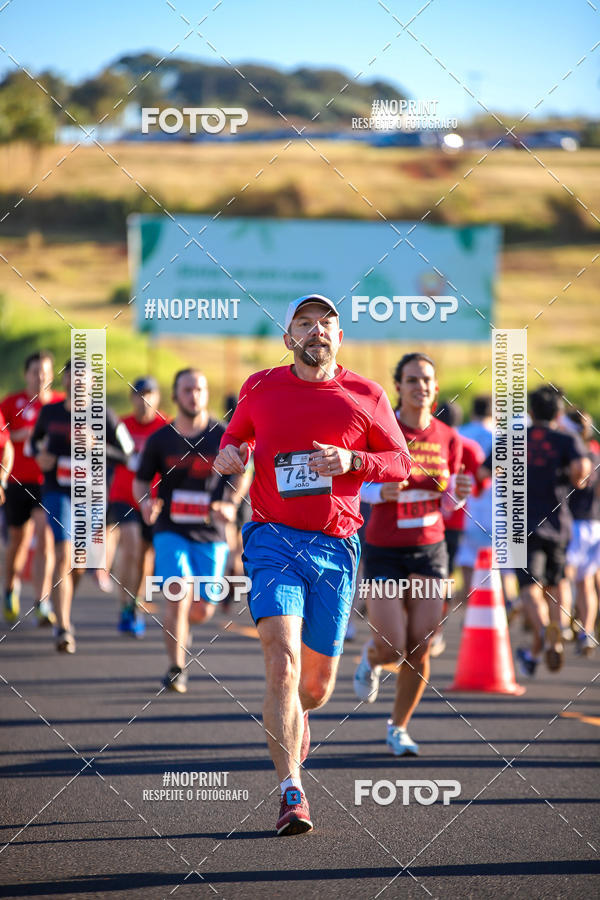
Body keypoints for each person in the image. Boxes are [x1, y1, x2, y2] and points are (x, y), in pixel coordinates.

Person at [213, 293, 411, 836]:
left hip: (335, 548)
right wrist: (230, 455)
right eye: (304, 323)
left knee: (314, 689)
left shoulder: (366, 395)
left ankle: (299, 720)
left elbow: (400, 462)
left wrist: (353, 461)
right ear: (288, 339)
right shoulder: (260, 386)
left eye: (327, 323)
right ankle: (291, 792)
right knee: (281, 660)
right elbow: (235, 439)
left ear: (340, 339)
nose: (316, 330)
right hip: (272, 540)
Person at [354, 353, 471, 756]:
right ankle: (370, 659)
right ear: (398, 387)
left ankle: (398, 727)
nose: (420, 386)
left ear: (436, 388)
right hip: (384, 550)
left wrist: (462, 496)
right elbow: (351, 483)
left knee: (420, 645)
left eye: (427, 380)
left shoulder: (449, 438)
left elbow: (448, 502)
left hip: (429, 550)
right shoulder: (380, 431)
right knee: (391, 646)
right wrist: (375, 492)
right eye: (412, 379)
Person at [133, 369, 239, 692]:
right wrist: (146, 503)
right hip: (170, 528)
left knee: (203, 607)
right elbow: (140, 480)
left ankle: (180, 628)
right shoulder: (160, 439)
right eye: (187, 389)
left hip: (210, 532)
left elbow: (242, 471)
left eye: (200, 389)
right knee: (177, 594)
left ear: (207, 394)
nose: (194, 395)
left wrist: (231, 502)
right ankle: (177, 667)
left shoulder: (223, 436)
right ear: (176, 395)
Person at [29, 361, 133, 653]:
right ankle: (63, 627)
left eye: (83, 380)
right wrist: (40, 455)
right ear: (64, 382)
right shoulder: (50, 413)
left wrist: (97, 445)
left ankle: (62, 605)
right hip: (57, 492)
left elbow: (129, 455)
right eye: (72, 379)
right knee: (63, 551)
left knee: (77, 563)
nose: (77, 384)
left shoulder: (106, 415)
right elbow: (32, 445)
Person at [514, 385, 590, 677]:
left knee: (529, 587)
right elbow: (582, 468)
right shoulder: (566, 438)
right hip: (559, 522)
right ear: (558, 412)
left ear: (530, 412)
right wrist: (577, 479)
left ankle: (546, 632)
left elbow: (487, 470)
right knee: (558, 581)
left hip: (522, 524)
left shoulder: (514, 439)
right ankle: (558, 631)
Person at [1, 351, 62, 625]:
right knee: (18, 540)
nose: (41, 377)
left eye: (46, 372)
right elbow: (4, 440)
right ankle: (10, 588)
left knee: (46, 537)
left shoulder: (62, 403)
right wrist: (22, 434)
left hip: (48, 483)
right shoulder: (11, 403)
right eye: (36, 372)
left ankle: (42, 602)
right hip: (16, 482)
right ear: (26, 374)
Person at [106, 377, 167, 636]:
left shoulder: (166, 426)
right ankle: (125, 606)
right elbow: (102, 451)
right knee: (130, 545)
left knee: (144, 556)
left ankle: (134, 602)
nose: (144, 400)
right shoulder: (121, 425)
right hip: (124, 495)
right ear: (132, 398)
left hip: (153, 500)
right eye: (139, 394)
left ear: (158, 397)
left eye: (149, 394)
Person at [564, 409, 599, 656]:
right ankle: (587, 632)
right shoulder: (596, 456)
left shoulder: (568, 457)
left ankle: (563, 626)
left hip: (573, 524)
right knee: (586, 582)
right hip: (595, 525)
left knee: (564, 577)